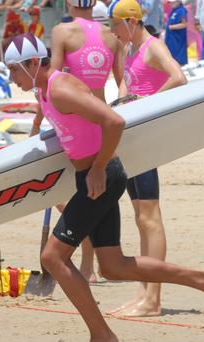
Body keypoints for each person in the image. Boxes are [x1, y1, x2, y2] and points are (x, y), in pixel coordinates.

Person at [5, 34, 204, 342]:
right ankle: (202, 278)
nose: (11, 78)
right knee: (113, 265)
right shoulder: (44, 90)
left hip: (102, 177)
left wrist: (97, 168)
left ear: (32, 64)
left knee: (53, 257)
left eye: (13, 70)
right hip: (93, 177)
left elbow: (115, 121)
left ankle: (102, 336)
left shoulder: (59, 87)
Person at [107, 0, 188, 317]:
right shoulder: (127, 49)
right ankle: (144, 293)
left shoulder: (153, 47)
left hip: (148, 140)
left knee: (150, 217)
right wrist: (122, 103)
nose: (112, 31)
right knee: (141, 218)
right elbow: (126, 83)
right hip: (132, 139)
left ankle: (153, 300)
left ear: (130, 21)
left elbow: (179, 77)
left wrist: (148, 102)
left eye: (114, 24)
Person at [43, 0, 125, 282]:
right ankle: (88, 262)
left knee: (72, 194)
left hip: (75, 120)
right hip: (102, 120)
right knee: (90, 198)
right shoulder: (110, 38)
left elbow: (52, 78)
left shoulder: (62, 31)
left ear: (68, 3)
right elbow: (122, 84)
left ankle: (84, 256)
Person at [165, 0, 188, 65]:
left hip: (178, 40)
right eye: (170, 2)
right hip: (172, 40)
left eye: (173, 2)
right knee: (172, 58)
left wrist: (172, 27)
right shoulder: (173, 10)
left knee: (179, 59)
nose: (171, 3)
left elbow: (184, 24)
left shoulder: (181, 10)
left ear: (178, 1)